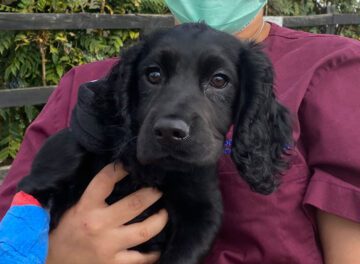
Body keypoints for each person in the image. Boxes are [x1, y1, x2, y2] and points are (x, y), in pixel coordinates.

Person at [1, 0, 360, 263]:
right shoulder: (91, 85)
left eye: (219, 81)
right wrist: (58, 257)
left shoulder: (332, 67)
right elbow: (14, 219)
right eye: (154, 77)